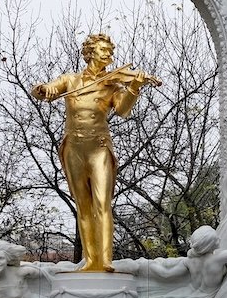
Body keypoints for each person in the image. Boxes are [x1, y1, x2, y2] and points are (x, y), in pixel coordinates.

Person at [31, 33, 160, 272]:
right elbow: (45, 90)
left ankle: (105, 259)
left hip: (99, 147)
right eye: (104, 50)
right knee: (83, 204)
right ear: (90, 52)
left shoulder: (113, 83)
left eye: (110, 52)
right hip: (74, 148)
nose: (109, 55)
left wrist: (134, 87)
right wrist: (43, 89)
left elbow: (122, 110)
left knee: (102, 202)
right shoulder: (70, 80)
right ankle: (91, 260)